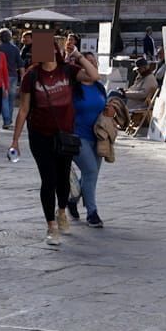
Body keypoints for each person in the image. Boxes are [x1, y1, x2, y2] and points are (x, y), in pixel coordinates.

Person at [9, 38, 100, 246]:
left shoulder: (68, 70)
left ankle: (61, 211)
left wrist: (77, 55)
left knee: (62, 178)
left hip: (65, 134)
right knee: (48, 179)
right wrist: (15, 140)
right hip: (40, 135)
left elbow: (94, 76)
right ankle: (51, 225)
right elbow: (23, 109)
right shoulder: (31, 76)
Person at [68, 51, 109, 228]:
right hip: (78, 135)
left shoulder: (99, 87)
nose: (92, 65)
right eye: (88, 62)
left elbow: (103, 107)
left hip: (97, 136)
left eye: (94, 62)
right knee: (90, 170)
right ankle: (92, 213)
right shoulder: (73, 87)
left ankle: (72, 199)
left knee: (90, 175)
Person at [0, 28, 22, 131]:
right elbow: (20, 64)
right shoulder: (15, 48)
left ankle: (7, 121)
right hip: (13, 75)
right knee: (11, 99)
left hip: (2, 76)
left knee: (4, 98)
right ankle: (9, 120)